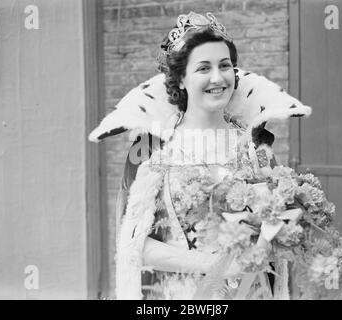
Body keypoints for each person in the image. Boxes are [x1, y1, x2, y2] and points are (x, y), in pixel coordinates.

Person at [115, 12, 290, 300]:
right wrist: (217, 266)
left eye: (225, 65)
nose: (217, 77)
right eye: (203, 68)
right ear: (180, 79)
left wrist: (266, 244)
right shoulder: (150, 148)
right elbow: (134, 241)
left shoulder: (255, 146)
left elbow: (279, 227)